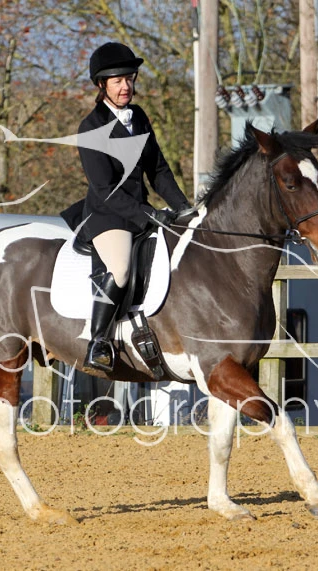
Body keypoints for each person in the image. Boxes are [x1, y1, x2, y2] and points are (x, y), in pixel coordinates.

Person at [61, 41, 191, 373]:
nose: (125, 86)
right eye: (118, 81)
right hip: (108, 216)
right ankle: (99, 342)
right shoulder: (91, 127)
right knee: (119, 267)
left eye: (129, 79)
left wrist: (183, 208)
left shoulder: (140, 117)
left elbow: (158, 170)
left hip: (140, 212)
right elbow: (105, 190)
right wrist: (149, 214)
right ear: (101, 85)